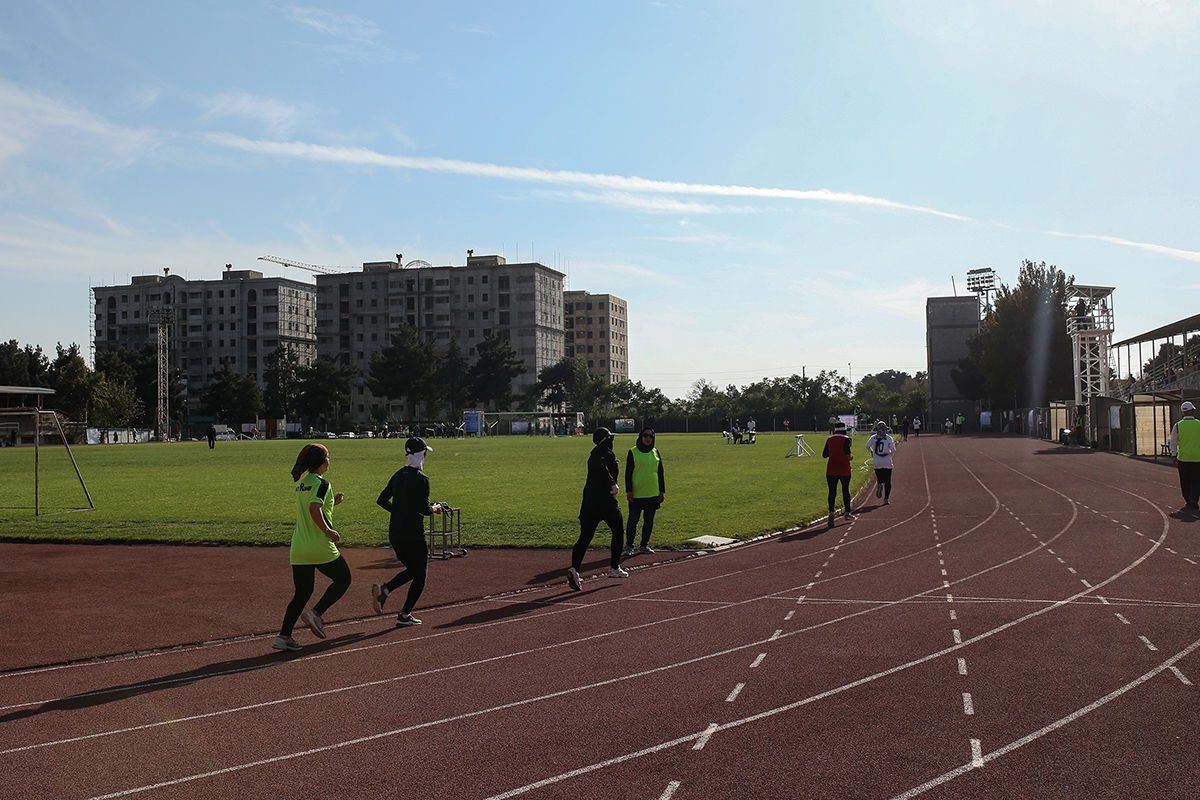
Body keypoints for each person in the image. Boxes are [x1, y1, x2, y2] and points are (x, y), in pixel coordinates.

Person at [274, 443, 351, 651]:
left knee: (302, 594)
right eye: (328, 456)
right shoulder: (323, 483)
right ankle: (316, 613)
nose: (329, 460)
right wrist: (328, 532)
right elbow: (314, 508)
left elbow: (316, 506)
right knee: (344, 579)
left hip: (299, 547)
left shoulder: (301, 483)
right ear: (322, 461)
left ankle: (284, 636)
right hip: (320, 546)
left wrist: (333, 502)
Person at [372, 437, 443, 626]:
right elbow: (423, 509)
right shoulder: (422, 479)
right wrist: (434, 508)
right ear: (422, 455)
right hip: (414, 534)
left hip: (395, 533)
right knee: (421, 574)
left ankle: (385, 590)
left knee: (413, 570)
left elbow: (381, 500)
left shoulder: (398, 475)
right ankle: (404, 614)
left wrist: (398, 511)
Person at [567, 427, 628, 590]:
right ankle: (615, 568)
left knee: (585, 537)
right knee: (618, 530)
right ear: (606, 439)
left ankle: (574, 569)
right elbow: (601, 467)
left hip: (589, 502)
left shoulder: (594, 453)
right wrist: (612, 484)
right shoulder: (605, 453)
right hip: (605, 502)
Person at [623, 427, 665, 556]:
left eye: (651, 436)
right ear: (641, 437)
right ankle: (629, 546)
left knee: (649, 521)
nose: (648, 438)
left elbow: (660, 472)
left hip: (652, 492)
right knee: (633, 521)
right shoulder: (633, 452)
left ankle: (644, 545)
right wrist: (629, 491)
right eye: (645, 435)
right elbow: (628, 473)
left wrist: (662, 491)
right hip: (637, 493)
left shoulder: (655, 452)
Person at [1168, 401, 1200, 511]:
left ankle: (1187, 499)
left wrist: (1173, 454)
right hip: (1197, 457)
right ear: (1193, 411)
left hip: (1183, 457)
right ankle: (1194, 499)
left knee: (1185, 479)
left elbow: (1173, 442)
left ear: (1183, 413)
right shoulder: (1199, 424)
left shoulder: (1178, 426)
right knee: (1196, 480)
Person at [822, 421, 855, 527]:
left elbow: (824, 455)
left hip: (831, 468)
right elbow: (847, 455)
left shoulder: (829, 440)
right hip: (844, 468)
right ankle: (847, 513)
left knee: (832, 492)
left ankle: (831, 512)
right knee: (845, 490)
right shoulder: (846, 440)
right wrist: (851, 457)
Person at [865, 421, 897, 505]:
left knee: (879, 478)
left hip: (877, 462)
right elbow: (893, 450)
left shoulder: (873, 437)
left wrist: (872, 452)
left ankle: (879, 484)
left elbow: (867, 446)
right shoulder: (889, 438)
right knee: (888, 481)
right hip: (887, 461)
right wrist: (889, 452)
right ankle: (886, 499)